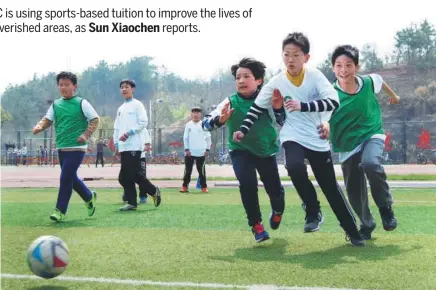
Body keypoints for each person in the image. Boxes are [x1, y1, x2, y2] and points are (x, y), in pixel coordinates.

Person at [233, 33, 365, 246]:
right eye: (286, 55)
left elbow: (333, 102)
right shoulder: (277, 81)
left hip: (317, 138)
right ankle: (312, 209)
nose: (290, 59)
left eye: (296, 55)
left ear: (306, 57)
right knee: (293, 166)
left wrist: (303, 106)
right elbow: (256, 109)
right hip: (292, 135)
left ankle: (352, 231)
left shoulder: (315, 76)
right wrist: (242, 130)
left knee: (330, 186)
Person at [316, 45, 399, 240]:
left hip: (372, 134)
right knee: (354, 191)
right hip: (347, 145)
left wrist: (394, 96)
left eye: (348, 65)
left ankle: (386, 209)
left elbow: (381, 82)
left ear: (357, 67)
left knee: (371, 163)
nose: (343, 70)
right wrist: (326, 126)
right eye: (338, 65)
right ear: (333, 68)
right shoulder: (329, 94)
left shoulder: (369, 82)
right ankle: (366, 224)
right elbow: (325, 115)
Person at [203, 58, 285, 243]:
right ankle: (256, 225)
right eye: (238, 77)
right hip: (240, 150)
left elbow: (281, 122)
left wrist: (278, 108)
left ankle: (278, 209)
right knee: (247, 183)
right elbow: (205, 124)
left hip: (266, 151)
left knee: (275, 191)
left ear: (258, 80)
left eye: (246, 76)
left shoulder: (267, 99)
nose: (241, 80)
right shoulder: (229, 102)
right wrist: (220, 121)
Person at [32, 71, 98, 222]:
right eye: (61, 85)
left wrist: (85, 135)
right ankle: (89, 197)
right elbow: (47, 120)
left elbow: (95, 119)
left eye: (67, 85)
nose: (63, 88)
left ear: (74, 86)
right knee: (71, 178)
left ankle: (60, 210)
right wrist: (39, 127)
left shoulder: (82, 103)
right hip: (62, 147)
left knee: (65, 177)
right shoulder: (56, 104)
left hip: (77, 147)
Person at [114, 79, 161, 211]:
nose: (124, 89)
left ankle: (152, 191)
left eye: (126, 87)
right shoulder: (121, 108)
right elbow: (117, 127)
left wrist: (129, 133)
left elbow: (143, 122)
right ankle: (132, 202)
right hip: (123, 146)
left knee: (131, 174)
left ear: (133, 89)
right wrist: (117, 143)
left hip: (134, 145)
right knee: (124, 177)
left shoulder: (137, 105)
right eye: (122, 87)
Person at [180, 107, 212, 193]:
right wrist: (186, 149)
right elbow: (185, 138)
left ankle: (204, 187)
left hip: (201, 152)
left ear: (200, 114)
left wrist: (207, 149)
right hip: (189, 152)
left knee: (201, 171)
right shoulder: (188, 125)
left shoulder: (203, 124)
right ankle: (184, 187)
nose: (196, 114)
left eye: (197, 113)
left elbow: (208, 138)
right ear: (191, 114)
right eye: (194, 112)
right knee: (187, 171)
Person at [121, 128, 156, 204]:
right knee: (126, 177)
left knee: (141, 176)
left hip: (140, 157)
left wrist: (140, 149)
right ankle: (127, 194)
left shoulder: (144, 130)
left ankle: (143, 196)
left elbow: (147, 145)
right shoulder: (127, 129)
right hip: (129, 157)